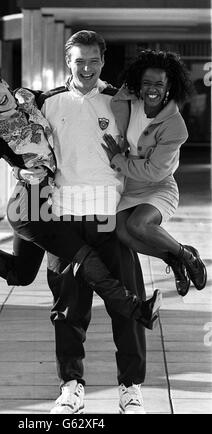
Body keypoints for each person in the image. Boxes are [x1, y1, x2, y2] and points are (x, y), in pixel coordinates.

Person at [0, 68, 160, 321]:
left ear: (4, 83)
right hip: (29, 210)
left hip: (46, 202)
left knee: (21, 274)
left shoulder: (28, 97)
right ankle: (137, 310)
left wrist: (99, 86)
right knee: (86, 256)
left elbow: (61, 96)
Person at [18, 30, 152, 414]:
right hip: (63, 221)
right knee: (68, 309)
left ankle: (130, 388)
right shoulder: (47, 104)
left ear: (103, 61)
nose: (88, 68)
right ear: (68, 61)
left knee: (126, 306)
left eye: (94, 60)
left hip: (110, 217)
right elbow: (22, 144)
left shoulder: (120, 101)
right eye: (80, 61)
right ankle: (71, 385)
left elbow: (147, 143)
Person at [101, 49, 207, 297]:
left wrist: (118, 159)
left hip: (159, 186)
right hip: (131, 186)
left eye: (159, 84)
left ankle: (187, 255)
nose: (152, 89)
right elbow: (115, 99)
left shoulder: (176, 126)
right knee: (122, 232)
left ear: (169, 86)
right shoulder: (131, 102)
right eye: (146, 82)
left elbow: (154, 171)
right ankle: (173, 259)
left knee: (138, 225)